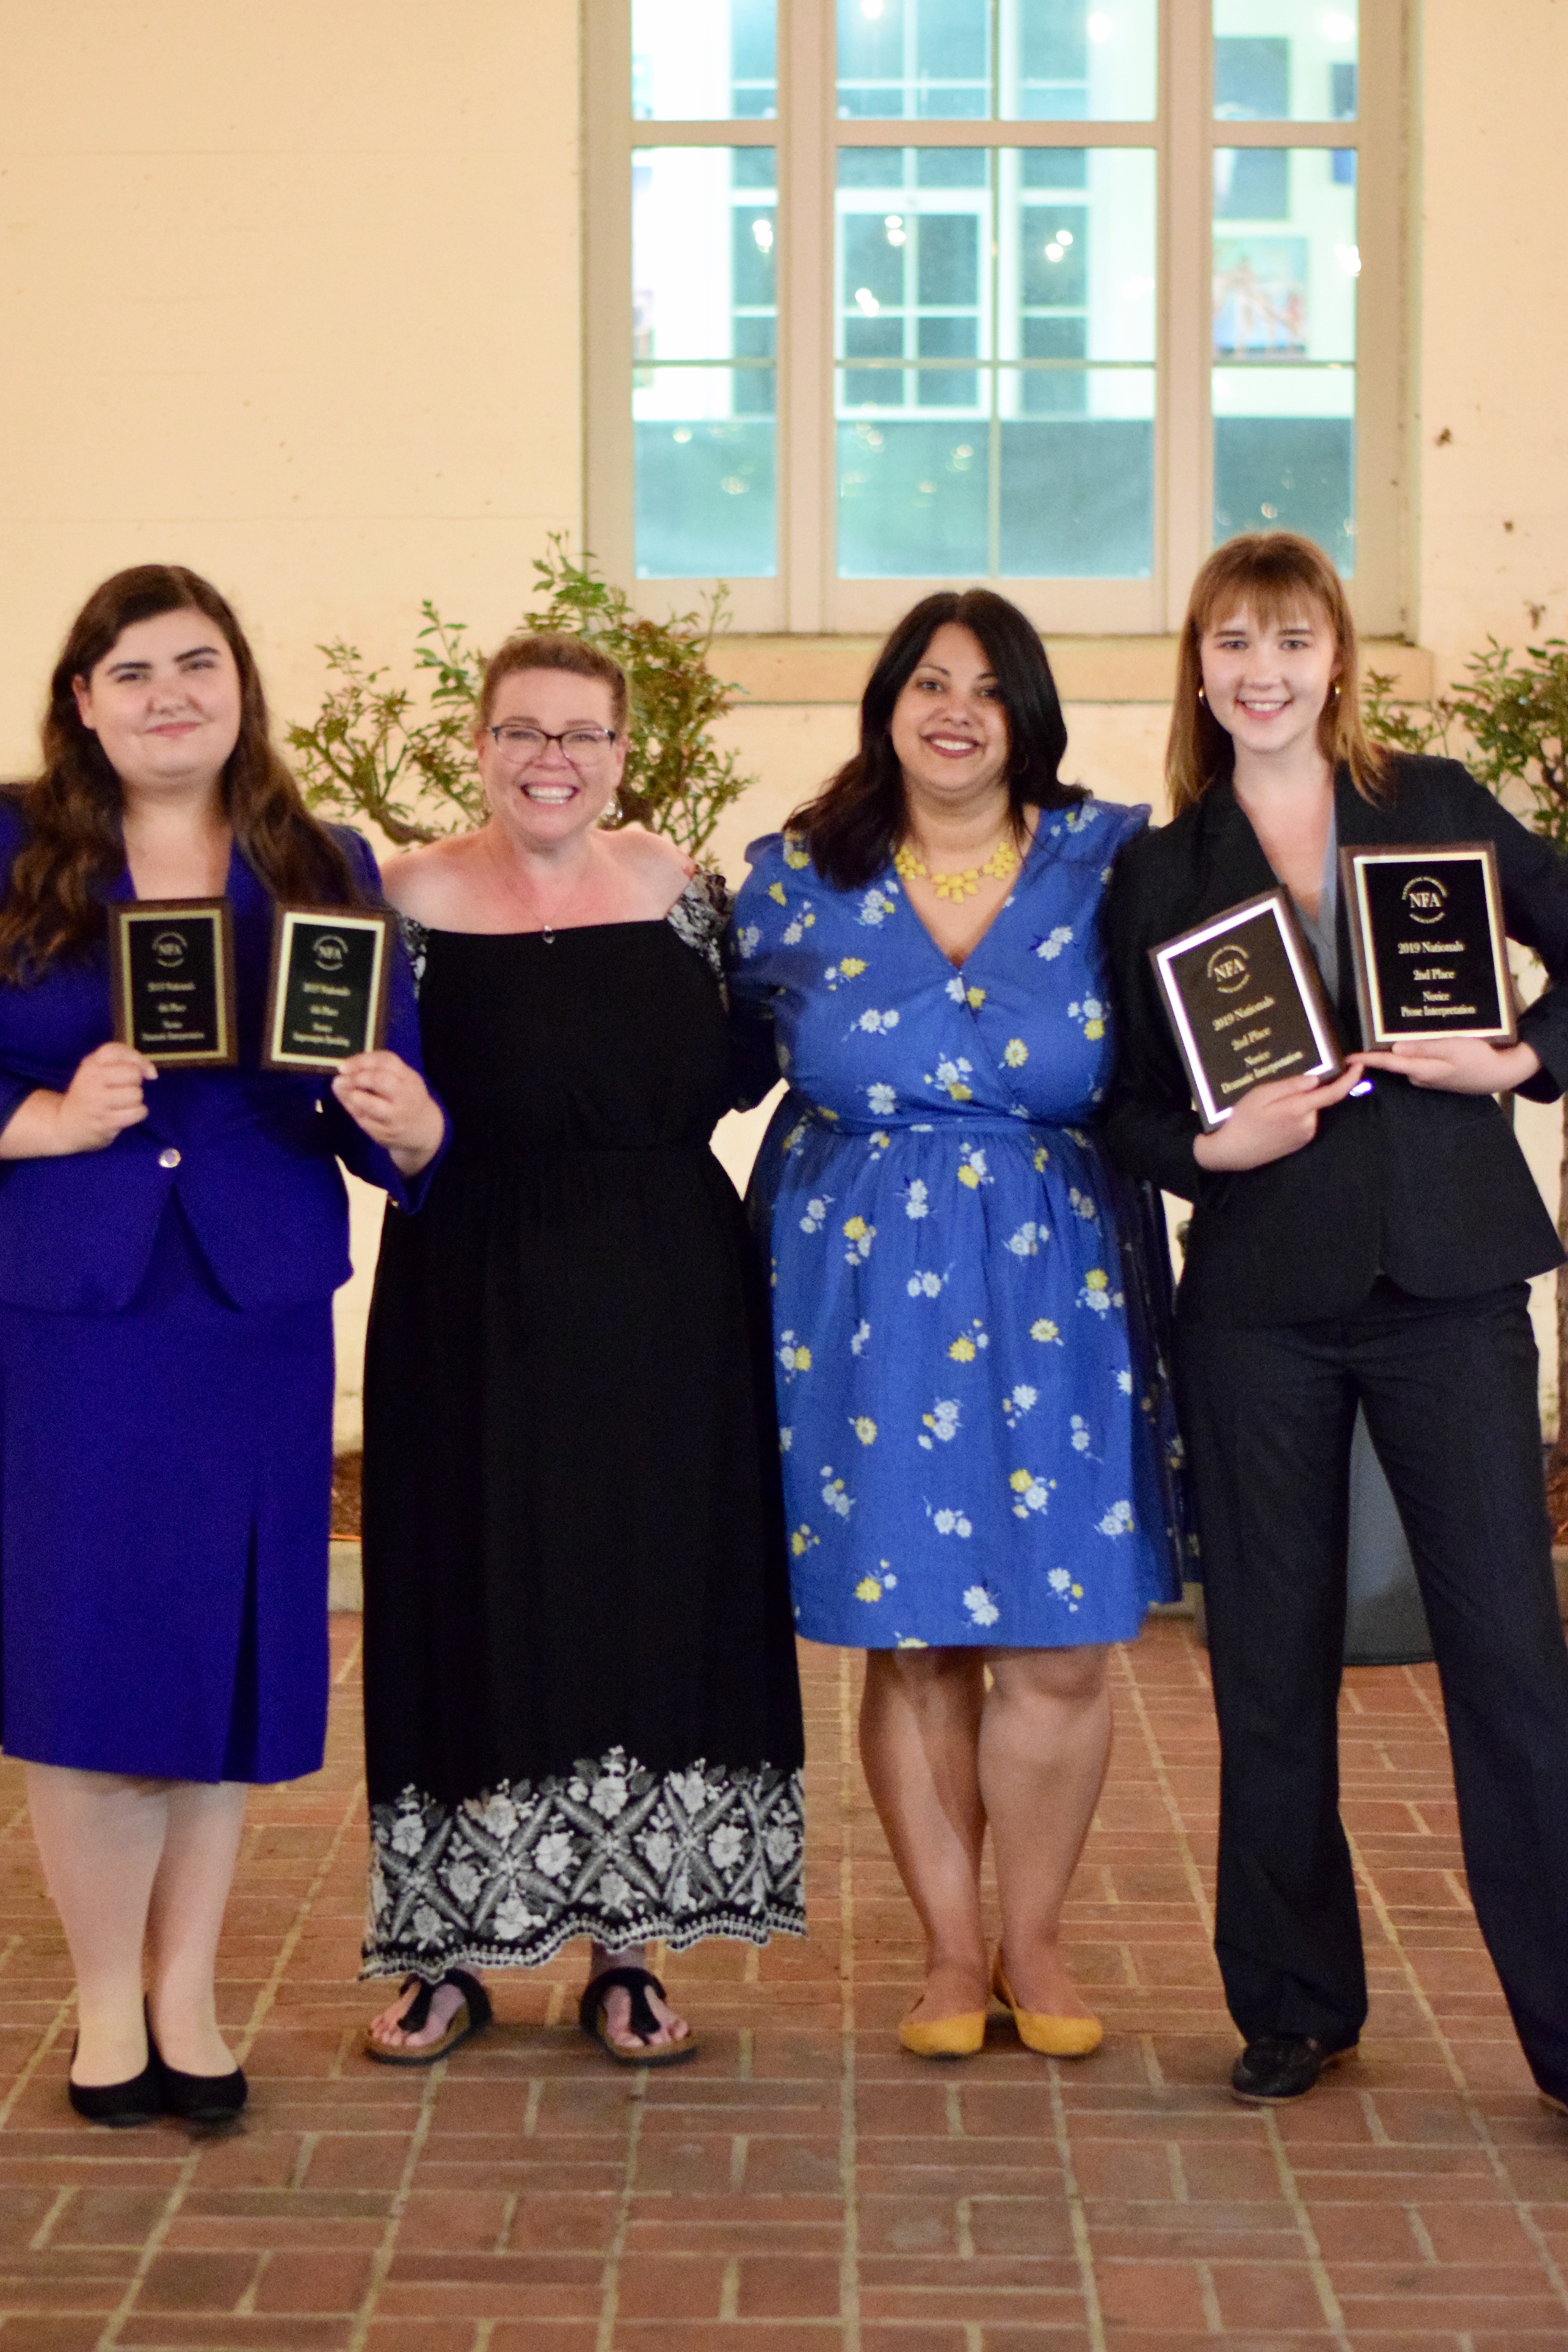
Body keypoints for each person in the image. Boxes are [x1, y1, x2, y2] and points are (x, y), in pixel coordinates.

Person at [1102, 529, 1568, 2109]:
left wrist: (1518, 1059)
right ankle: (1294, 2003)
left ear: (1337, 660)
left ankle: (1566, 2031)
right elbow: (1121, 1109)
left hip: (1447, 1288)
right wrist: (1206, 1150)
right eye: (1231, 643)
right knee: (1270, 1667)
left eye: (1289, 641)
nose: (1262, 671)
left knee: (1509, 1657)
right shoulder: (1162, 871)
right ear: (1200, 669)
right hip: (1258, 1310)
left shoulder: (1426, 806)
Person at [0, 564, 444, 2128]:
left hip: (250, 1309)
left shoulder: (318, 861)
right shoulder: (7, 849)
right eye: (132, 672)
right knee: (84, 1658)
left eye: (198, 664)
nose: (169, 693)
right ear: (81, 701)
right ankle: (105, 2002)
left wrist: (407, 1123)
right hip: (74, 1318)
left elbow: (389, 1083)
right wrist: (40, 1123)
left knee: (215, 1654)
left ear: (240, 687)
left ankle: (191, 1994)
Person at [728, 590, 1184, 2060]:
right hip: (859, 1298)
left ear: (1031, 717)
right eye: (929, 682)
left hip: (1062, 1287)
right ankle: (943, 1954)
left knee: (1060, 1643)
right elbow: (692, 1056)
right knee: (916, 1639)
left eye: (991, 689)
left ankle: (1034, 1945)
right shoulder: (796, 877)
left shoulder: (1113, 864)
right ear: (885, 703)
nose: (957, 711)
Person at [358, 631, 805, 2067]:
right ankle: (446, 1948)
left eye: (584, 734)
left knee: (645, 1593)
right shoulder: (400, 899)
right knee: (462, 1584)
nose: (553, 758)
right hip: (468, 1288)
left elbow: (751, 1055)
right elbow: (340, 1094)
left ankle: (628, 1953)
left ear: (622, 753)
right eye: (523, 730)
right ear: (477, 744)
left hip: (668, 1290)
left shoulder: (684, 895)